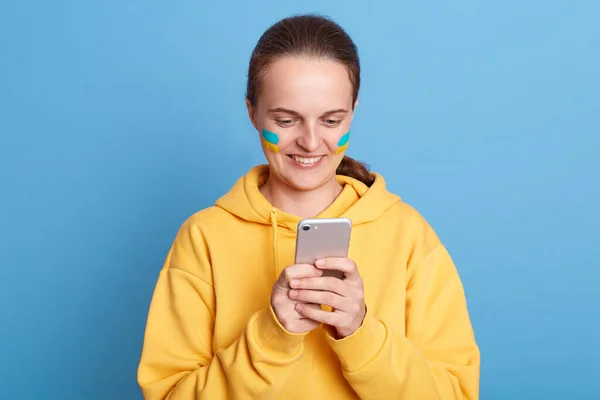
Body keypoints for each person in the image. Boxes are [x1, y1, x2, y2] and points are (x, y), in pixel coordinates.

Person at [137, 14, 480, 400]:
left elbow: (455, 394)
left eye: (332, 120)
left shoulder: (409, 235)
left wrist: (361, 333)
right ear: (252, 112)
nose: (311, 142)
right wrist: (269, 336)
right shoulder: (203, 238)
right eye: (286, 120)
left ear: (353, 111)